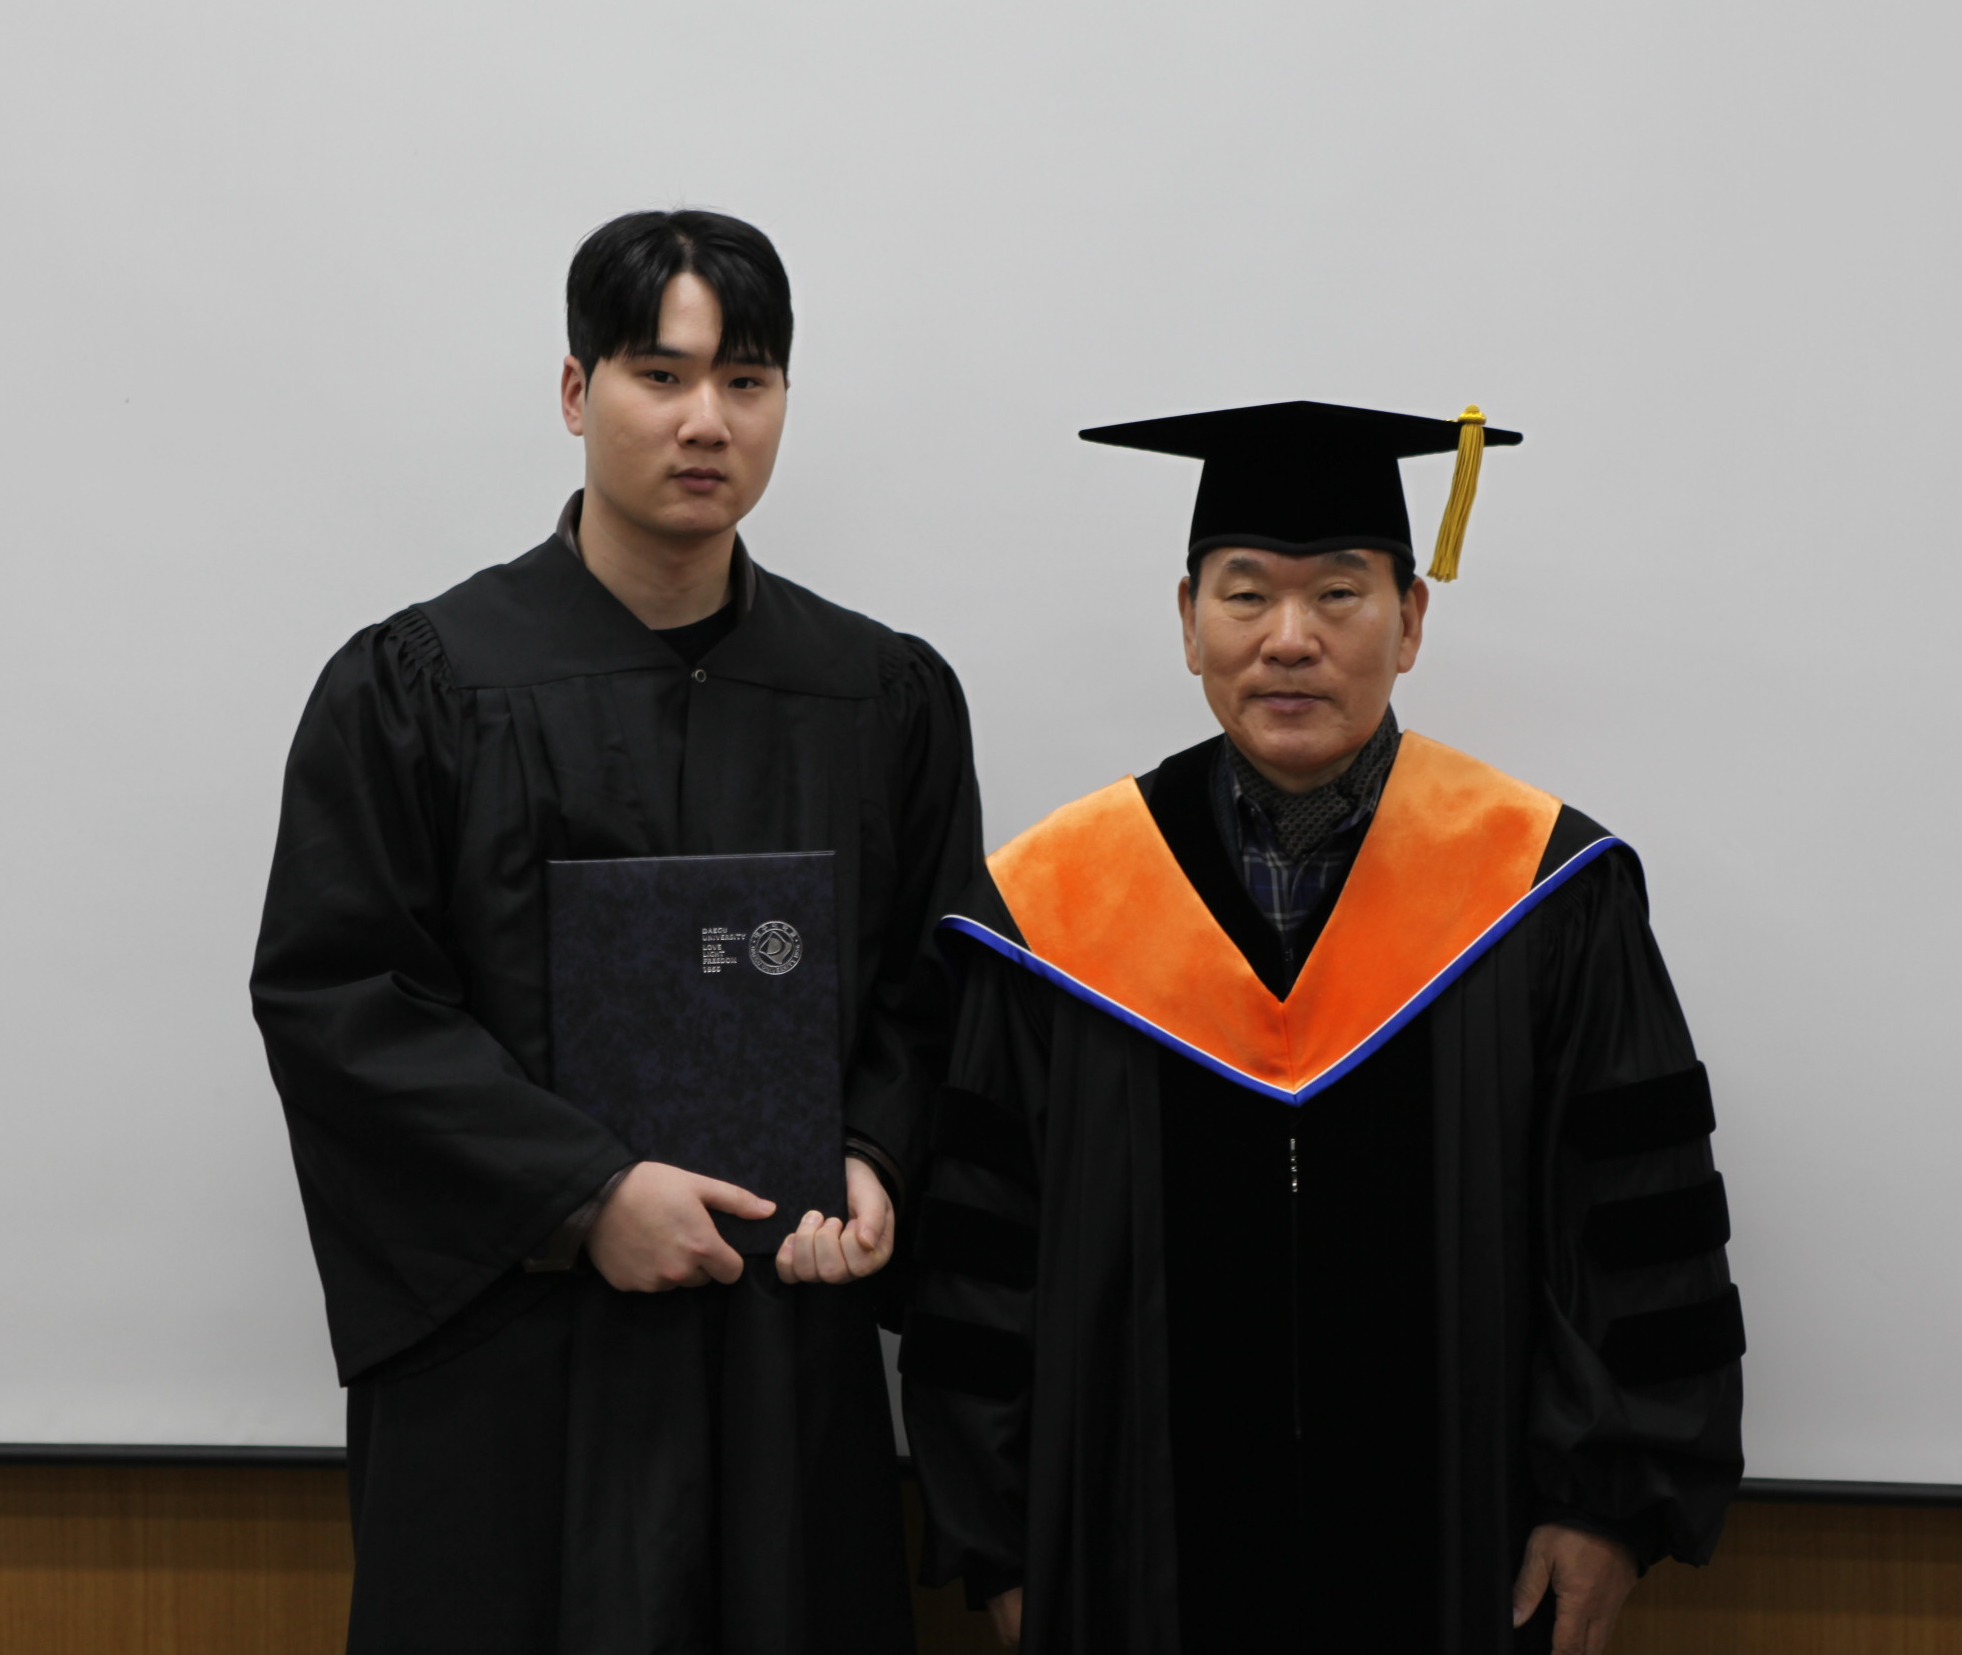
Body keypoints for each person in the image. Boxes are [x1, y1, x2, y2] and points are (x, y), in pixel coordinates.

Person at [251, 209, 983, 1654]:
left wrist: (874, 1156)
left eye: (747, 380)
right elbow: (343, 1002)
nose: (707, 420)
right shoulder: (420, 685)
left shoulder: (877, 695)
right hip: (514, 1366)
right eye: (662, 374)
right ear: (577, 390)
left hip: (783, 1338)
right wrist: (586, 1193)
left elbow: (936, 985)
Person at [900, 401, 1742, 1654]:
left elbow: (1633, 1229)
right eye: (1246, 594)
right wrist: (1006, 1536)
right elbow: (983, 1253)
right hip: (1133, 1561)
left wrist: (1606, 1502)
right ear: (1188, 620)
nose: (1289, 638)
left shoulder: (1546, 889)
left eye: (1339, 594)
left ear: (1410, 622)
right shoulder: (1055, 910)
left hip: (1465, 1552)